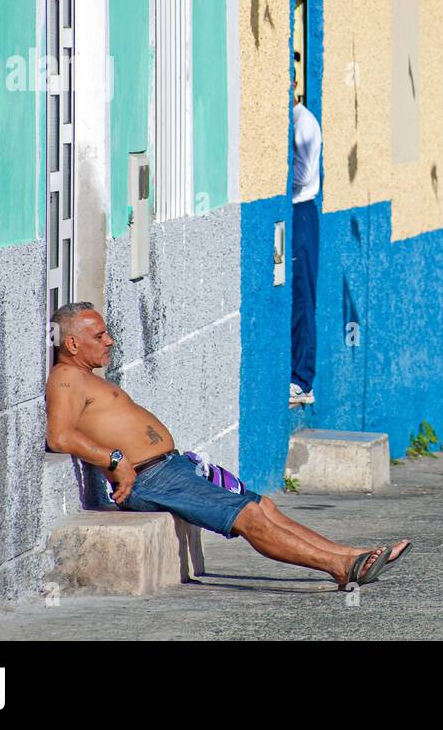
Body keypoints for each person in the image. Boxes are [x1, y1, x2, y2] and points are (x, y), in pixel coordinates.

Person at [44, 302, 410, 590]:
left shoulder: (85, 378)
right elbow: (59, 437)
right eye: (100, 336)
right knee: (248, 517)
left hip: (170, 469)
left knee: (261, 505)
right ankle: (340, 568)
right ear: (73, 343)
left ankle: (352, 554)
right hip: (150, 479)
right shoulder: (65, 379)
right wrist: (115, 459)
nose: (110, 341)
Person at [290, 52, 322, 407]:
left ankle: (302, 380)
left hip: (301, 213)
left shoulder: (304, 124)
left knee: (303, 297)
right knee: (296, 296)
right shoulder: (292, 122)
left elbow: (303, 176)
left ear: (295, 84)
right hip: (297, 213)